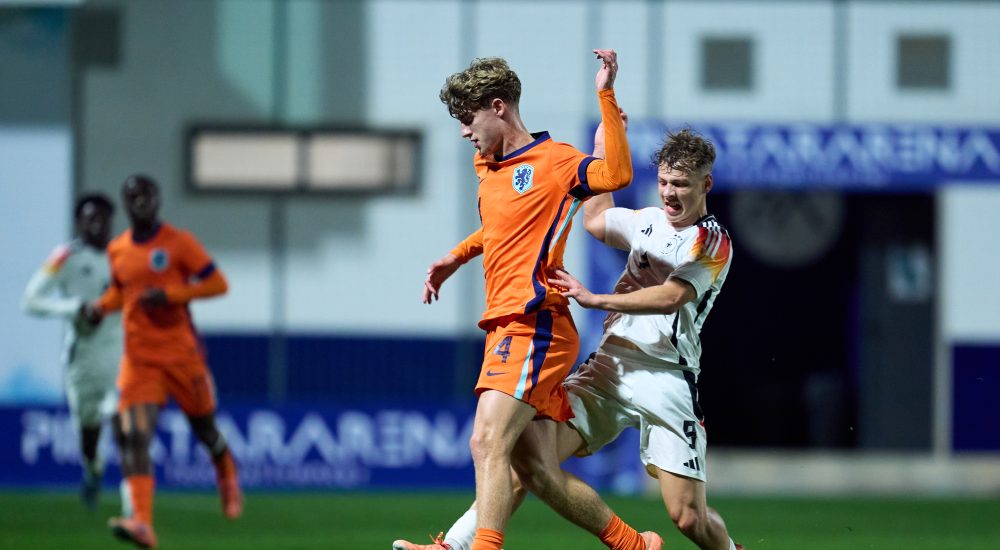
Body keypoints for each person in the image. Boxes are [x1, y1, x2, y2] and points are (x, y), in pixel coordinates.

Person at [397, 129, 743, 550]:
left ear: (706, 184)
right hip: (608, 370)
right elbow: (597, 220)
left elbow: (672, 297)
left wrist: (596, 299)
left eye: (682, 184)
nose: (669, 193)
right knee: (527, 461)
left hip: (667, 376)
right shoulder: (649, 220)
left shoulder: (712, 241)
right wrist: (600, 150)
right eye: (664, 182)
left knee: (687, 517)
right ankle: (453, 545)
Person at [414, 51, 662, 550]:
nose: (463, 132)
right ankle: (634, 545)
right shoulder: (487, 165)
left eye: (468, 119)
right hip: (505, 325)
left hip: (535, 322)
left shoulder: (555, 162)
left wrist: (606, 96)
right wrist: (455, 257)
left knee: (486, 440)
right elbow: (500, 229)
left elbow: (615, 175)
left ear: (498, 107)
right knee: (536, 471)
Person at [82, 174, 242, 549]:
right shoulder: (118, 249)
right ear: (125, 204)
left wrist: (171, 294)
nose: (140, 201)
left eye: (147, 195)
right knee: (134, 437)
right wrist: (99, 308)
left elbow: (218, 283)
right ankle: (142, 522)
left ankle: (226, 472)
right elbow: (121, 292)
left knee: (206, 431)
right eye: (133, 196)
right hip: (140, 360)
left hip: (182, 357)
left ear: (158, 200)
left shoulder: (179, 243)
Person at [22, 193, 123, 510]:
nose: (97, 224)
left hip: (120, 355)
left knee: (124, 420)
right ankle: (93, 468)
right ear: (79, 222)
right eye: (90, 218)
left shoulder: (124, 256)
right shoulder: (65, 257)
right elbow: (31, 300)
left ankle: (135, 504)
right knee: (89, 431)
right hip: (84, 359)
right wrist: (74, 308)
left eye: (103, 218)